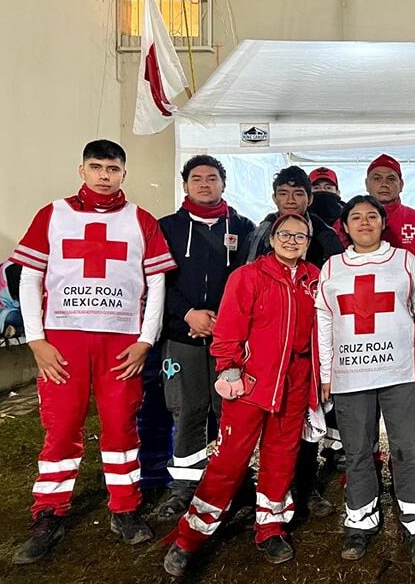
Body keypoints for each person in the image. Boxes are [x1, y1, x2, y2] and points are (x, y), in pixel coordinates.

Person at [10, 140, 177, 564]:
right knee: (62, 426)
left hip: (121, 343)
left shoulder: (140, 220)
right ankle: (49, 511)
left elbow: (156, 283)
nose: (105, 175)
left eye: (113, 168)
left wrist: (146, 340)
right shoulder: (52, 214)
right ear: (81, 170)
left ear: (124, 174)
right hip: (62, 341)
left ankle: (124, 506)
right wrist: (35, 340)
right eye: (97, 166)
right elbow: (29, 279)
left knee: (121, 427)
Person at [163, 213, 321, 576]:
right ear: (271, 238)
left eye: (300, 236)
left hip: (294, 383)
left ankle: (270, 526)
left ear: (308, 242)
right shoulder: (248, 276)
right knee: (229, 460)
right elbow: (229, 325)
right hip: (251, 382)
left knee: (281, 457)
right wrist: (229, 366)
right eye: (285, 234)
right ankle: (191, 535)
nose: (292, 241)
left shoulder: (315, 279)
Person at [317, 196, 415, 567]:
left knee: (411, 447)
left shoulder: (405, 261)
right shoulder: (332, 267)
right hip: (350, 374)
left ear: (384, 223)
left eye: (372, 216)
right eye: (356, 217)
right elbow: (324, 320)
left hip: (400, 372)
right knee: (356, 451)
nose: (365, 223)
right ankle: (360, 521)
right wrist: (326, 372)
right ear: (345, 226)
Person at [154, 155, 255, 519]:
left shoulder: (243, 227)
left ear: (223, 184)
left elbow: (248, 281)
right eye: (196, 178)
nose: (204, 184)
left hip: (229, 339)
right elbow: (158, 283)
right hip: (182, 336)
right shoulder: (166, 228)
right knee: (188, 410)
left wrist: (222, 321)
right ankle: (185, 486)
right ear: (185, 185)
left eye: (212, 178)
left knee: (231, 411)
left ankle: (235, 482)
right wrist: (188, 315)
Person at [246, 165, 344, 507]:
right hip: (266, 348)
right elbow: (246, 281)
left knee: (306, 419)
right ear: (274, 197)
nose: (290, 199)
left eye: (298, 193)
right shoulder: (261, 232)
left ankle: (305, 486)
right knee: (266, 422)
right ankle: (268, 489)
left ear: (309, 198)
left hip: (308, 345)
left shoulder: (326, 237)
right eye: (284, 193)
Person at [333, 154, 415, 255]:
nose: (384, 184)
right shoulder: (345, 222)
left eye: (391, 179)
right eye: (377, 179)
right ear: (367, 184)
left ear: (401, 185)